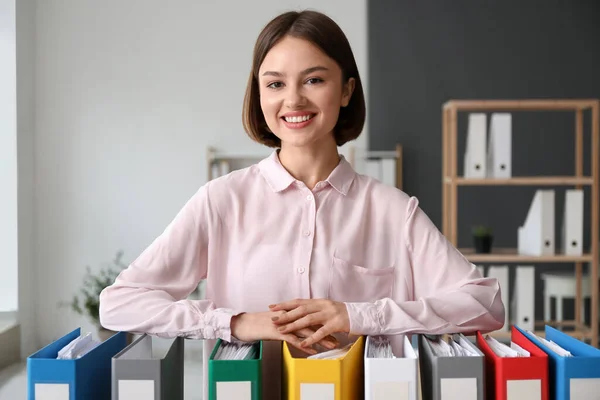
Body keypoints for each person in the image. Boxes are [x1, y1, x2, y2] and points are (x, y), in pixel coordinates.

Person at [99, 9, 504, 399]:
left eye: (313, 80)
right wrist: (237, 322)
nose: (293, 100)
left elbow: (485, 304)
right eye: (275, 84)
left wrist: (359, 315)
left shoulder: (393, 211)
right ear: (258, 94)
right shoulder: (221, 201)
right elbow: (119, 303)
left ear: (346, 89)